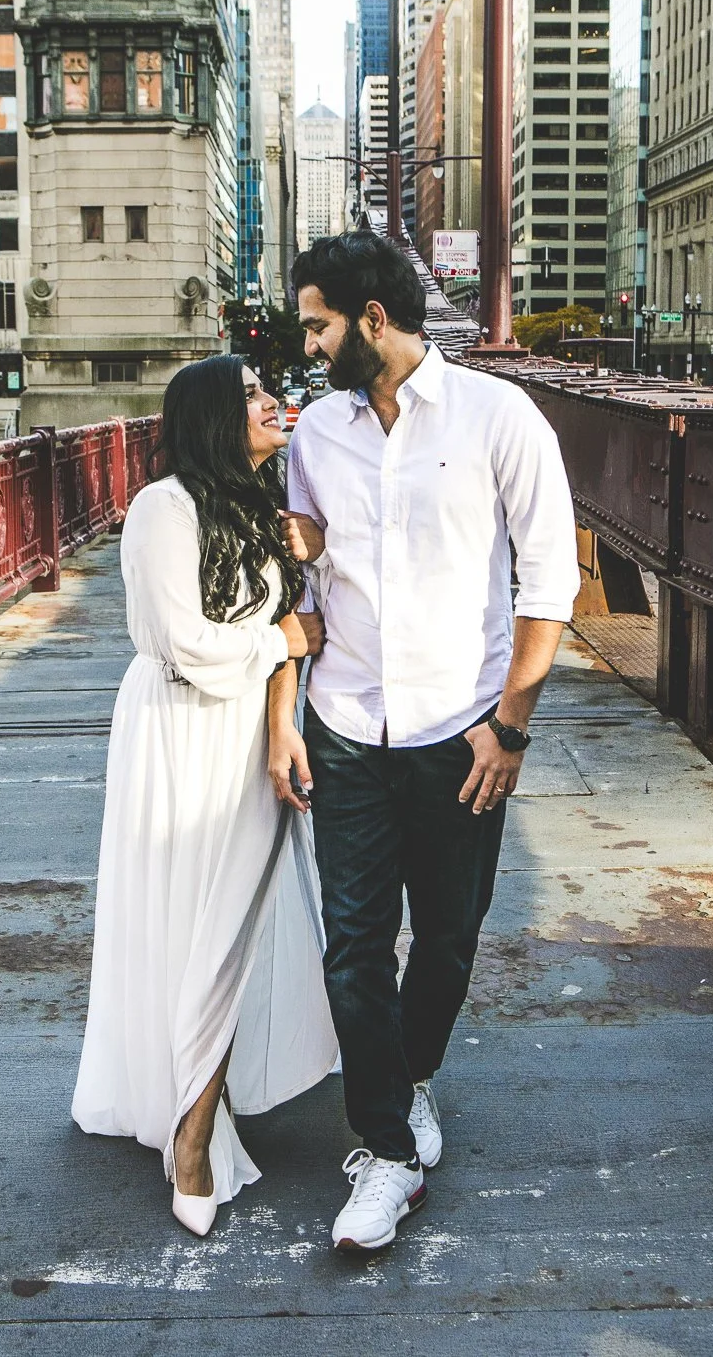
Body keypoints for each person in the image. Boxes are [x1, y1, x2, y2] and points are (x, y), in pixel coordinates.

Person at [272, 231, 580, 1253]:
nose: (307, 345)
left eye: (316, 324)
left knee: (446, 936)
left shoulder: (500, 416)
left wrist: (511, 729)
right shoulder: (317, 432)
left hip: (463, 727)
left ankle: (407, 1081)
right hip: (351, 722)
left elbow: (549, 583)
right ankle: (385, 1151)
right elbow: (305, 565)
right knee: (353, 945)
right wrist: (294, 606)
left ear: (369, 319)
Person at [72, 355, 338, 1238]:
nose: (275, 402)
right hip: (177, 730)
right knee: (186, 925)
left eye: (273, 390)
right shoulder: (163, 508)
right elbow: (189, 643)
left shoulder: (261, 513)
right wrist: (280, 640)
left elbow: (287, 638)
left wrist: (282, 720)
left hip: (246, 737)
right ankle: (190, 1134)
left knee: (234, 923)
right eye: (255, 394)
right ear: (214, 417)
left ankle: (197, 1109)